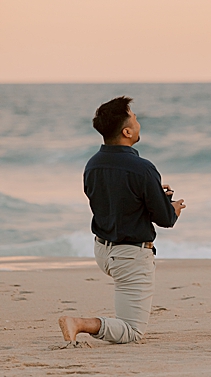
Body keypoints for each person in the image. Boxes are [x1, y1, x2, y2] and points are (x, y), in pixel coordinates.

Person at [58, 96, 186, 345]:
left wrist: (151, 192)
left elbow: (115, 201)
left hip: (103, 251)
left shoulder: (92, 165)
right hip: (130, 256)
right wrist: (172, 208)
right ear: (127, 131)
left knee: (129, 317)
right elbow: (164, 219)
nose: (138, 122)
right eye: (135, 119)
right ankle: (81, 323)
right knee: (131, 331)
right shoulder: (143, 169)